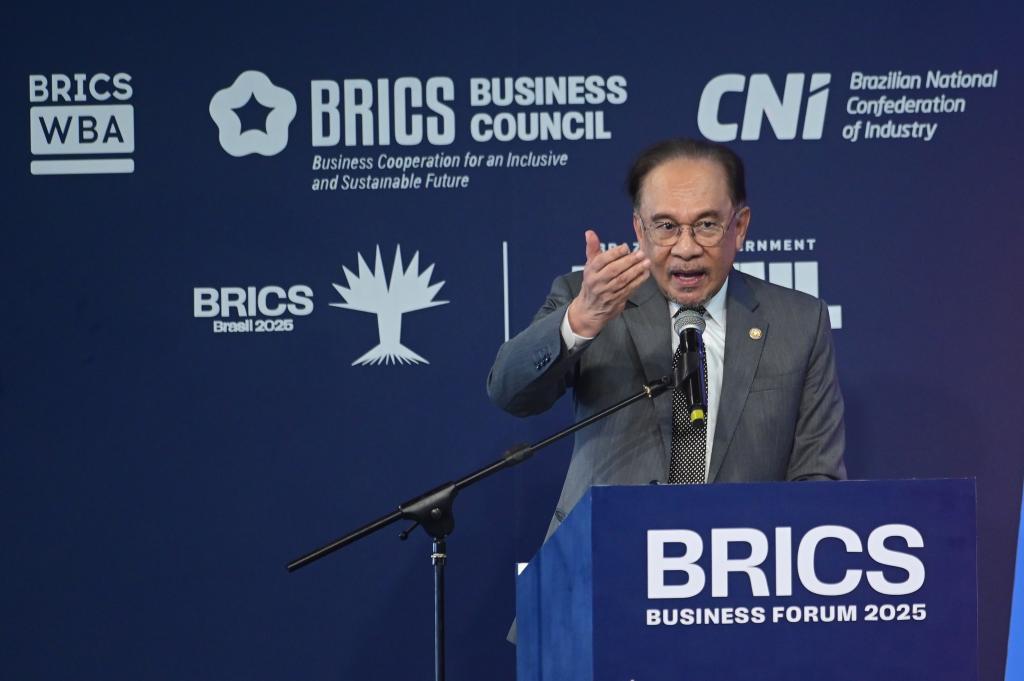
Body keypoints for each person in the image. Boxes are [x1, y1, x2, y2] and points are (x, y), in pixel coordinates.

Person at [487, 138, 846, 544]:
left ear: (740, 227)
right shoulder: (589, 299)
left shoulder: (799, 322)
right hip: (604, 552)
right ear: (640, 230)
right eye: (666, 226)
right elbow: (509, 392)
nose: (686, 248)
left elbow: (817, 479)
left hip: (739, 562)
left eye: (707, 225)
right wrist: (580, 320)